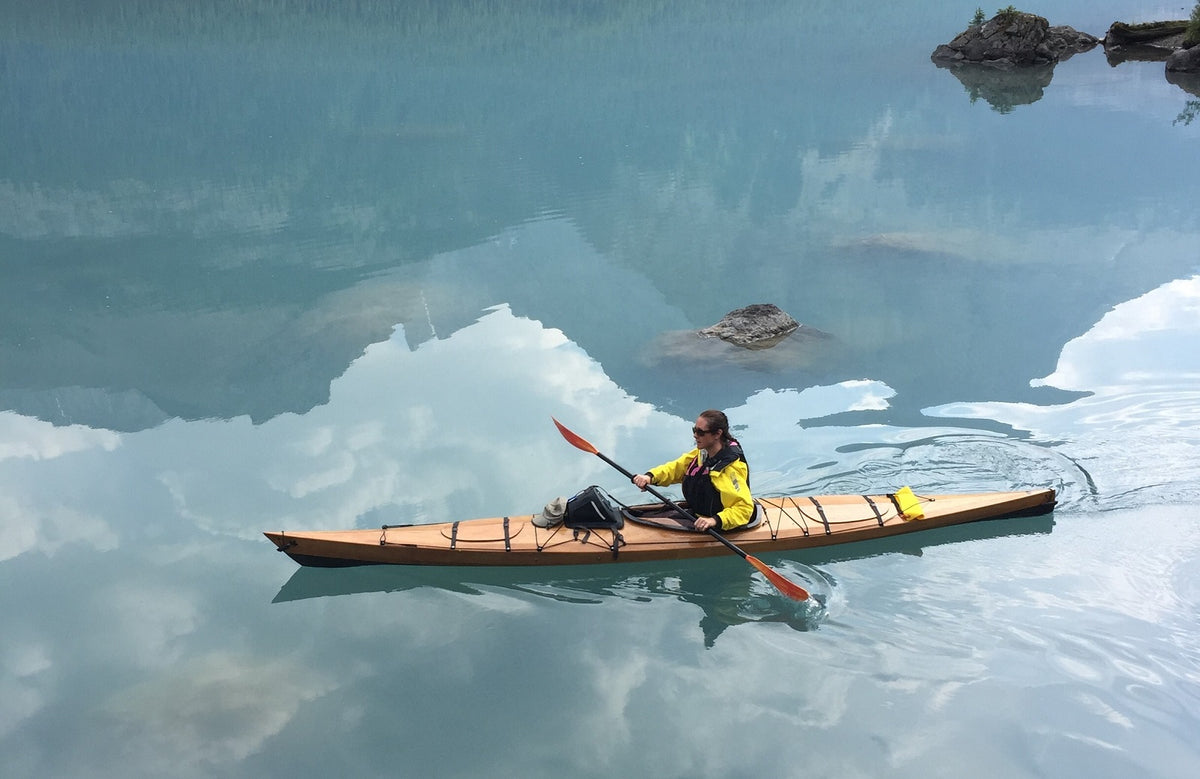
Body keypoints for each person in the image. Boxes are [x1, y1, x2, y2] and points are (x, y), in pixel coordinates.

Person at [631, 409, 754, 532]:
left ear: (717, 434)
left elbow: (744, 509)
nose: (695, 435)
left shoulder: (730, 469)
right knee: (634, 515)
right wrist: (650, 477)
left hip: (713, 526)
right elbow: (677, 468)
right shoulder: (704, 453)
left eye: (700, 432)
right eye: (694, 430)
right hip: (696, 515)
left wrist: (714, 520)